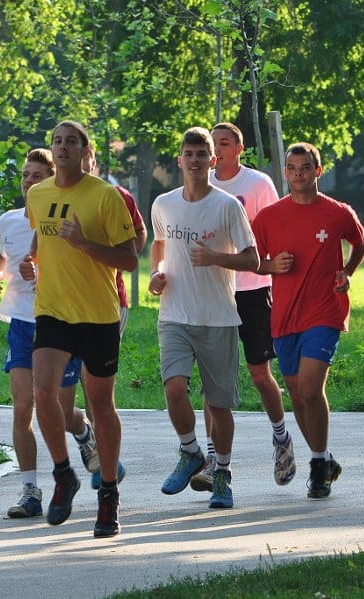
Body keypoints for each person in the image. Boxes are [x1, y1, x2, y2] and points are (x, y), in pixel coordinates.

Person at [19, 121, 137, 538]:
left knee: (101, 405)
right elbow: (41, 237)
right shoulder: (38, 193)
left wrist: (86, 244)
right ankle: (63, 474)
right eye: (57, 141)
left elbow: (129, 259)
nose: (63, 147)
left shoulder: (105, 196)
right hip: (52, 310)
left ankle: (108, 494)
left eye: (71, 141)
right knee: (42, 392)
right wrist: (31, 263)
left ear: (85, 150)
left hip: (98, 314)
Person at [0, 148, 99, 519]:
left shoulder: (62, 218)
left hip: (60, 320)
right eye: (25, 176)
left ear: (50, 179)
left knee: (62, 412)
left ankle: (82, 432)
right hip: (21, 321)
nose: (28, 182)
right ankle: (30, 491)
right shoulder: (8, 220)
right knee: (23, 407)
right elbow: (5, 256)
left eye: (36, 176)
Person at [149, 126, 259, 509]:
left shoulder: (228, 205)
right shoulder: (163, 204)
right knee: (174, 388)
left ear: (213, 160)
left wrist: (215, 258)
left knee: (218, 405)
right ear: (179, 160)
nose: (195, 161)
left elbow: (252, 259)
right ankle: (191, 451)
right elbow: (159, 244)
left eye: (202, 154)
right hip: (175, 315)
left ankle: (223, 473)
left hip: (218, 318)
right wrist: (156, 275)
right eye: (188, 154)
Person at [253, 142, 364, 499]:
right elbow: (252, 258)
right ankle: (326, 457)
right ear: (284, 172)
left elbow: (360, 242)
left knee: (309, 388)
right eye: (292, 168)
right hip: (284, 316)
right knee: (297, 397)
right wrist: (270, 266)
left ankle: (318, 466)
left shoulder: (337, 212)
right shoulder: (269, 216)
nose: (298, 174)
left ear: (318, 171)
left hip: (325, 311)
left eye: (305, 167)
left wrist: (347, 271)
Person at [190, 122, 295, 494]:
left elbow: (276, 229)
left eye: (224, 143)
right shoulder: (202, 185)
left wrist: (271, 268)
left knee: (258, 373)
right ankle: (215, 460)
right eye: (212, 144)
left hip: (252, 288)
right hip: (215, 290)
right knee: (213, 382)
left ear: (238, 148)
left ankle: (281, 438)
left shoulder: (258, 185)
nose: (217, 149)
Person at [80, 142, 147, 489]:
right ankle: (96, 446)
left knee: (94, 382)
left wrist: (117, 257)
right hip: (62, 303)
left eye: (83, 154)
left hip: (109, 301)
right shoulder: (55, 195)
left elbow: (139, 234)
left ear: (93, 157)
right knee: (72, 384)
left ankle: (107, 458)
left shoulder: (116, 195)